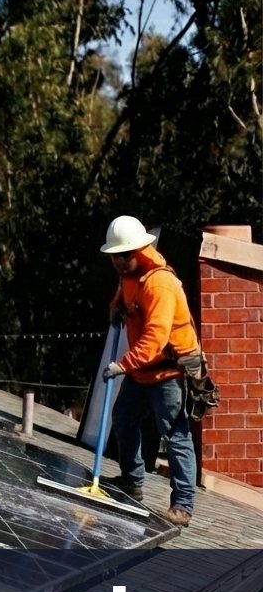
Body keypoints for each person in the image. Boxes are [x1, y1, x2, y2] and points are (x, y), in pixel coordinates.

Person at [99, 215, 200, 527]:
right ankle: (132, 481)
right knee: (125, 418)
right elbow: (124, 295)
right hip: (143, 371)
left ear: (137, 251)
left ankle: (182, 505)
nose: (116, 261)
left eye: (122, 255)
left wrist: (122, 365)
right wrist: (115, 306)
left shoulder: (160, 284)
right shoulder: (129, 273)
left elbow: (155, 339)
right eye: (114, 255)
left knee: (175, 434)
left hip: (167, 372)